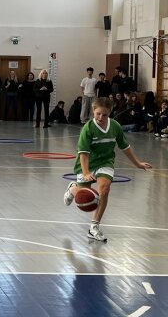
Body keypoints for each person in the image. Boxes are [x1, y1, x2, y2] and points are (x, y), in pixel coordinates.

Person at [64, 96, 153, 242]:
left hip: (105, 162)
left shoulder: (115, 126)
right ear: (93, 111)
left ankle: (94, 227)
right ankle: (73, 188)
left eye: (104, 115)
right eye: (98, 114)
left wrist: (137, 163)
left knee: (104, 189)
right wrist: (86, 173)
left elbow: (125, 147)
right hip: (87, 163)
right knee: (83, 195)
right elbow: (84, 154)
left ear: (110, 113)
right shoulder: (88, 128)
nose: (101, 117)